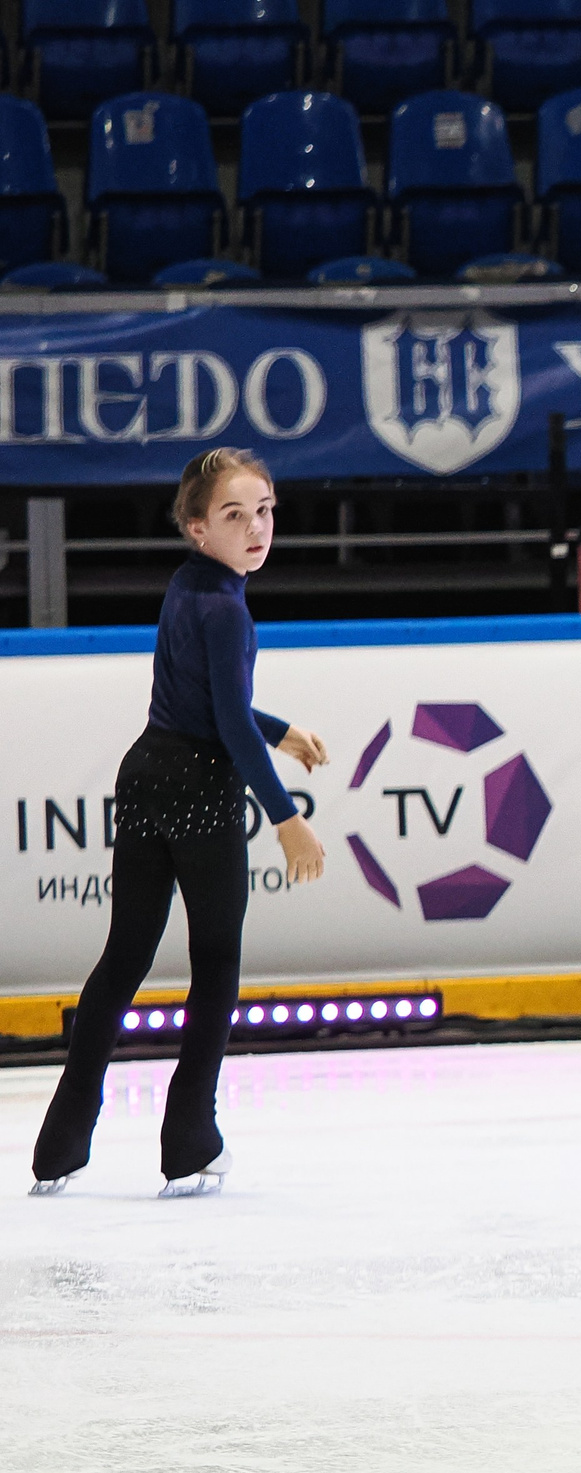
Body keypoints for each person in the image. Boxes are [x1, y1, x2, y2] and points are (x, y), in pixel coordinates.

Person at [31, 448, 328, 1199]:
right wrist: (286, 816)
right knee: (217, 962)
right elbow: (226, 722)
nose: (256, 528)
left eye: (264, 510)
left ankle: (60, 1143)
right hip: (198, 785)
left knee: (123, 958)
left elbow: (203, 697)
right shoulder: (228, 607)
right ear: (198, 528)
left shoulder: (189, 586)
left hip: (147, 770)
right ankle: (190, 1139)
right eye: (234, 515)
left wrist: (281, 729)